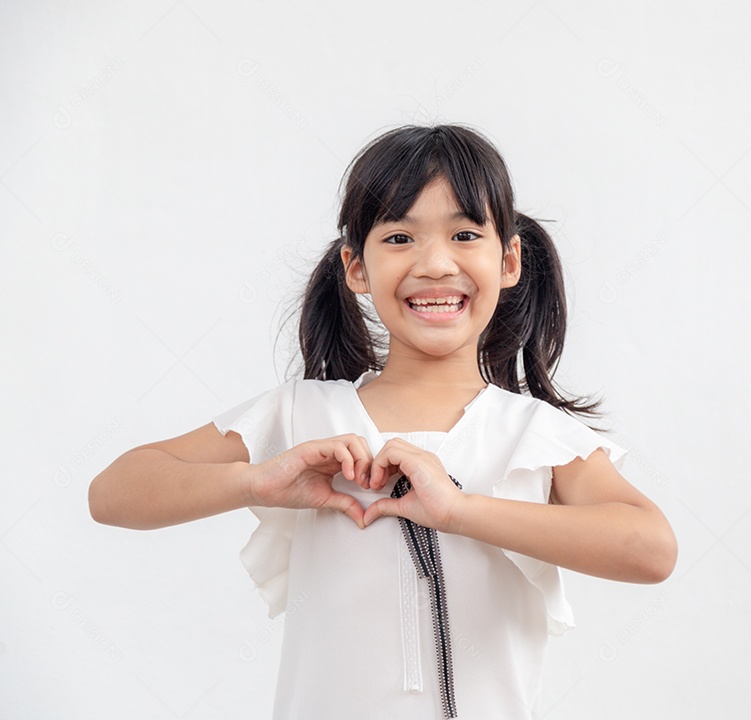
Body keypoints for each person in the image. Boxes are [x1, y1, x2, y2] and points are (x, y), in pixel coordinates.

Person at [89, 123, 677, 719]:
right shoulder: (301, 416)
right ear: (356, 268)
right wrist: (256, 481)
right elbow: (113, 493)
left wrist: (460, 510)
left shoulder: (533, 433)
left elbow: (651, 550)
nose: (436, 263)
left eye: (465, 233)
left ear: (509, 261)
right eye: (399, 237)